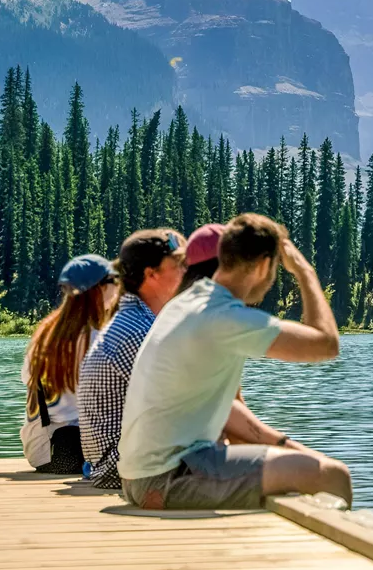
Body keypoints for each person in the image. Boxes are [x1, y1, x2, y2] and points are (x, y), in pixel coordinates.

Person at [117, 214, 350, 510]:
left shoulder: (187, 302)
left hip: (143, 475)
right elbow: (326, 344)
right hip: (170, 478)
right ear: (264, 265)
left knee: (291, 474)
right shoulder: (224, 317)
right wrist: (304, 270)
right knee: (332, 475)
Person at [78, 229, 186, 489]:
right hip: (121, 466)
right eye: (180, 265)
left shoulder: (134, 322)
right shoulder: (139, 333)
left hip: (113, 462)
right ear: (151, 274)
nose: (187, 272)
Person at [21, 255, 119, 474]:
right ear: (98, 289)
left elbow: (26, 380)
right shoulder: (98, 338)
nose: (117, 287)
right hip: (72, 451)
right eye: (113, 281)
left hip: (40, 451)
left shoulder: (44, 334)